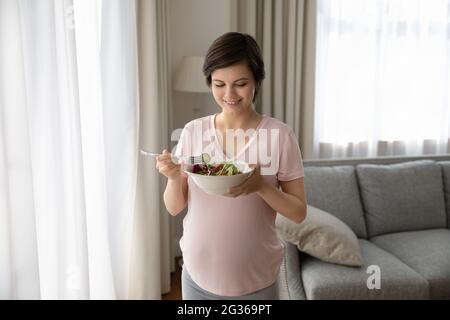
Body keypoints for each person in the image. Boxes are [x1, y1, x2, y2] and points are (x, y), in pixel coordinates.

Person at [156, 32, 307, 300]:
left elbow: (298, 212)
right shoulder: (193, 132)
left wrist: (261, 186)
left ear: (256, 81)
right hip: (195, 279)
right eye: (219, 84)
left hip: (257, 282)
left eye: (240, 83)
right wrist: (172, 177)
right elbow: (174, 206)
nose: (229, 94)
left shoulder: (280, 135)